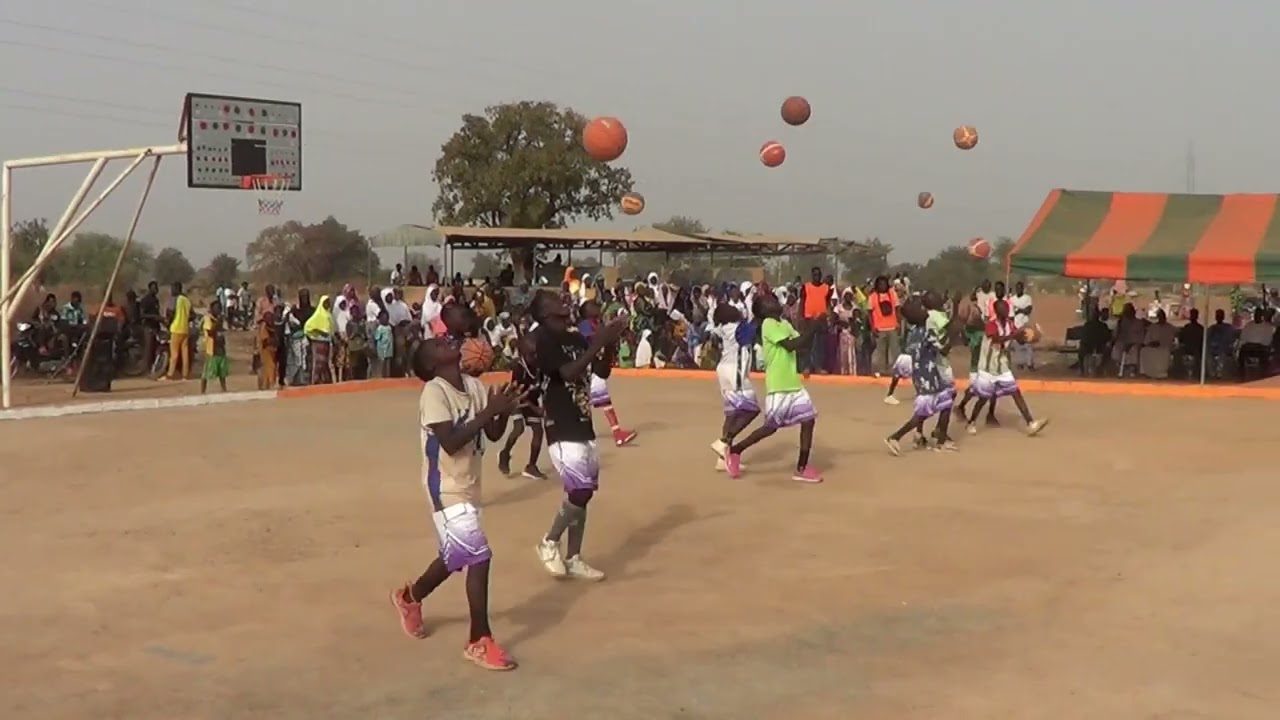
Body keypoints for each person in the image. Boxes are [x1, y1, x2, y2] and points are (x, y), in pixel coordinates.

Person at [388, 339, 523, 671]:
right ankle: (479, 640)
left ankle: (410, 597)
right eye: (437, 343)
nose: (447, 340)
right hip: (444, 486)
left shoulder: (474, 386)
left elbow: (491, 433)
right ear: (433, 364)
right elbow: (449, 441)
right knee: (478, 556)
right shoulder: (434, 392)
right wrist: (490, 412)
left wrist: (502, 411)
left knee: (456, 556)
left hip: (469, 484)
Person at [531, 291, 628, 581]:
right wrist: (597, 342)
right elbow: (570, 373)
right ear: (546, 313)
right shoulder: (544, 339)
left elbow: (600, 370)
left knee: (583, 496)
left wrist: (608, 346)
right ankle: (548, 542)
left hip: (583, 423)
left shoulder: (574, 337)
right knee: (580, 490)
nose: (564, 303)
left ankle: (574, 557)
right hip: (560, 425)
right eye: (555, 302)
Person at [722, 292, 822, 483]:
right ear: (762, 311)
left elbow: (801, 344)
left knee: (808, 420)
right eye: (768, 301)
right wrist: (814, 327)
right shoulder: (768, 324)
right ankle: (735, 451)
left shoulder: (784, 324)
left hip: (793, 384)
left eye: (774, 298)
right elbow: (791, 345)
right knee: (770, 428)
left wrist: (814, 327)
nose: (774, 301)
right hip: (779, 386)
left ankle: (801, 467)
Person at [884, 298, 956, 455]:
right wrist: (952, 334)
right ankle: (895, 437)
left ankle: (940, 441)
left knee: (946, 404)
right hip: (928, 378)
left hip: (924, 377)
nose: (925, 311)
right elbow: (942, 350)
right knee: (922, 414)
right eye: (921, 309)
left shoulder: (914, 333)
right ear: (916, 316)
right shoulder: (926, 332)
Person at [966, 299, 1048, 436]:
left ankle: (1030, 423)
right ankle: (971, 421)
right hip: (988, 367)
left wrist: (1030, 337)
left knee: (1016, 393)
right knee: (983, 398)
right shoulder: (991, 325)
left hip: (1002, 366)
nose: (1006, 310)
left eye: (1007, 308)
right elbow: (997, 339)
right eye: (1003, 308)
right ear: (998, 311)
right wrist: (1014, 335)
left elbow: (1017, 339)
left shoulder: (1010, 324)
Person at [709, 302, 761, 472]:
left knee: (731, 414)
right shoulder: (737, 328)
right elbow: (754, 328)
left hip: (723, 370)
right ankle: (724, 442)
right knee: (752, 410)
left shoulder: (723, 328)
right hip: (734, 372)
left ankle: (722, 459)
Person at [579, 300, 637, 447]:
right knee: (599, 400)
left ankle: (615, 433)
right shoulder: (586, 325)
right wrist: (613, 327)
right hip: (590, 368)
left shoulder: (595, 323)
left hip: (594, 367)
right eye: (593, 306)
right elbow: (594, 339)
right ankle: (616, 433)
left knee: (599, 401)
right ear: (586, 312)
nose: (597, 307)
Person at [498, 332, 547, 479]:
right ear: (523, 354)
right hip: (518, 399)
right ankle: (505, 453)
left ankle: (531, 466)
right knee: (518, 428)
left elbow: (544, 387)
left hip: (531, 398)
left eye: (537, 354)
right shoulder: (519, 369)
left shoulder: (540, 366)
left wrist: (542, 406)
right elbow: (516, 393)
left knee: (538, 431)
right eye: (532, 355)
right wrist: (534, 408)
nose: (535, 357)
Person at [866, 275, 899, 376]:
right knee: (880, 351)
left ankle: (893, 371)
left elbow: (897, 309)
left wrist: (899, 323)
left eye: (884, 284)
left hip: (892, 327)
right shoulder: (873, 296)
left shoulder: (892, 294)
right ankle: (880, 371)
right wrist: (872, 327)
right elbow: (870, 313)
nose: (882, 286)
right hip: (879, 328)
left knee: (894, 351)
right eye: (880, 284)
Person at [164, 282, 192, 380]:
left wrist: (167, 324)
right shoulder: (187, 300)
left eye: (172, 289)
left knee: (174, 354)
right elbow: (192, 315)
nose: (171, 291)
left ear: (176, 289)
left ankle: (170, 374)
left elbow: (171, 313)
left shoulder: (175, 299)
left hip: (176, 329)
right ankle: (185, 375)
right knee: (185, 354)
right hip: (185, 329)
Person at [200, 300, 229, 394]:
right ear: (212, 309)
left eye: (219, 308)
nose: (218, 310)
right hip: (211, 349)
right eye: (216, 308)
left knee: (222, 372)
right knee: (206, 373)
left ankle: (224, 389)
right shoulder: (208, 319)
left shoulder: (219, 319)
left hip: (220, 348)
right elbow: (210, 333)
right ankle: (202, 391)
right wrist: (218, 322)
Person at [1009, 281, 1034, 370]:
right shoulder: (1012, 299)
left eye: (1020, 288)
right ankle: (1020, 363)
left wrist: (1019, 310)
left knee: (1028, 344)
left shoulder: (1027, 298)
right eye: (1017, 288)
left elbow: (1028, 310)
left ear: (1023, 288)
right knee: (1017, 345)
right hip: (1016, 324)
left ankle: (1030, 363)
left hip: (1025, 323)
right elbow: (1011, 312)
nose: (1019, 289)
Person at [257, 309, 278, 390]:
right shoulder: (264, 328)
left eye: (271, 318)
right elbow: (266, 341)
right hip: (265, 351)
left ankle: (267, 385)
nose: (270, 320)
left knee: (271, 368)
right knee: (269, 367)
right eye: (268, 318)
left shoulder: (273, 327)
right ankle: (269, 385)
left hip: (272, 351)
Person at [372, 310, 394, 378]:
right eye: (383, 318)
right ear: (380, 319)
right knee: (382, 365)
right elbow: (376, 338)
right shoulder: (379, 328)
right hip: (382, 349)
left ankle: (388, 377)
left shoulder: (389, 327)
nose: (385, 319)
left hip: (389, 349)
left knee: (388, 365)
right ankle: (382, 378)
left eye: (386, 318)